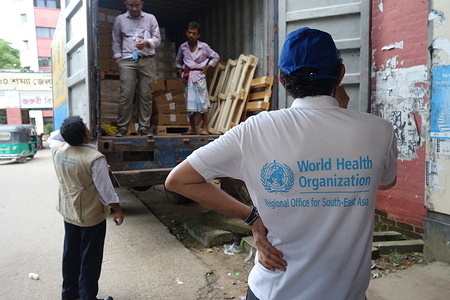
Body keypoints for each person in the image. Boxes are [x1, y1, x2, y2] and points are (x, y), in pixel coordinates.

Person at [165, 27, 398, 300]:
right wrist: (343, 117)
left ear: (282, 80)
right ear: (341, 74)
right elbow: (386, 181)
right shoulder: (378, 130)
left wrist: (251, 217)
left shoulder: (255, 130)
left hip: (273, 290)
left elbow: (178, 180)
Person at [48, 116, 124, 300]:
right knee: (90, 259)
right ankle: (87, 297)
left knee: (70, 254)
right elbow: (106, 193)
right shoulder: (94, 159)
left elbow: (54, 135)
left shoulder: (57, 148)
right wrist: (118, 210)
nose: (88, 129)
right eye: (85, 128)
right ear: (84, 135)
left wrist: (69, 130)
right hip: (90, 216)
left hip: (69, 212)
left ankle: (69, 294)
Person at [112, 0, 161, 136]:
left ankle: (144, 127)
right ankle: (123, 127)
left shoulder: (150, 18)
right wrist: (118, 59)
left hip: (147, 60)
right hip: (127, 61)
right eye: (131, 5)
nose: (134, 8)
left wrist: (146, 42)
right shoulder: (120, 20)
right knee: (126, 94)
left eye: (137, 5)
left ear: (142, 4)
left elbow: (157, 39)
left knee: (146, 95)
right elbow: (116, 40)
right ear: (125, 4)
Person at [175, 21, 220, 135]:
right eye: (190, 33)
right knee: (190, 104)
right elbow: (178, 62)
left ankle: (205, 128)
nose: (191, 35)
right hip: (188, 76)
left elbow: (215, 57)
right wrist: (181, 73)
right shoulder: (183, 47)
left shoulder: (203, 47)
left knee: (203, 102)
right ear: (186, 33)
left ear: (198, 35)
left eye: (194, 33)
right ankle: (193, 128)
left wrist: (207, 68)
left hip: (199, 76)